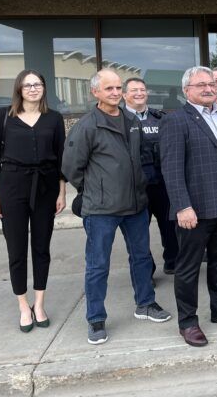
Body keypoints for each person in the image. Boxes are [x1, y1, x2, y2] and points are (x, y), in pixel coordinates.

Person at [62, 69, 171, 345]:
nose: (115, 92)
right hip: (101, 210)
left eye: (117, 88)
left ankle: (146, 304)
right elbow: (71, 167)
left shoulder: (132, 121)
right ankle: (95, 318)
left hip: (135, 205)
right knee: (98, 265)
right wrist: (93, 190)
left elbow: (139, 157)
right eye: (108, 88)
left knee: (142, 258)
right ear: (95, 93)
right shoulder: (87, 126)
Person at [160, 67, 217, 348]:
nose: (208, 89)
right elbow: (171, 168)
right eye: (201, 85)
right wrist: (182, 206)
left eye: (211, 84)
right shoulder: (176, 120)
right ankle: (188, 322)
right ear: (187, 90)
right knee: (188, 268)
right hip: (195, 208)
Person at [0, 69, 66, 332]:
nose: (33, 89)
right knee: (17, 250)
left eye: (38, 84)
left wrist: (62, 192)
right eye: (28, 85)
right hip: (12, 188)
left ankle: (39, 303)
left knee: (42, 247)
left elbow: (61, 157)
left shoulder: (54, 119)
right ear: (19, 89)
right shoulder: (3, 117)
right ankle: (23, 305)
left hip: (45, 187)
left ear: (44, 88)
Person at [122, 77, 178, 276]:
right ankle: (146, 271)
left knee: (171, 226)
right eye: (134, 90)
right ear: (124, 95)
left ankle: (173, 262)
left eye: (142, 89)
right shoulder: (119, 120)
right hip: (135, 186)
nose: (139, 93)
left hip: (162, 182)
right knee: (138, 233)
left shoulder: (159, 117)